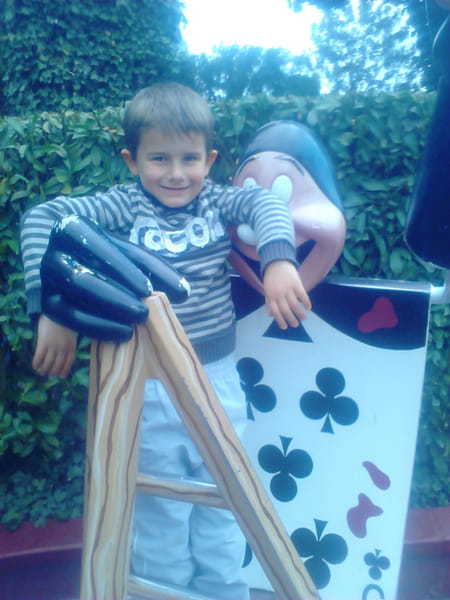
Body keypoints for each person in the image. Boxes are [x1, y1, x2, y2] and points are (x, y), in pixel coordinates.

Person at [20, 82, 311, 600]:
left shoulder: (218, 200)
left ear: (210, 159)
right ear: (131, 160)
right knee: (160, 520)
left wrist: (279, 262)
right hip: (149, 387)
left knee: (226, 511)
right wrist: (53, 308)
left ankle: (225, 593)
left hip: (216, 381)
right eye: (159, 158)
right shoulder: (123, 206)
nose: (176, 173)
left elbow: (265, 205)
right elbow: (44, 218)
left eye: (189, 158)